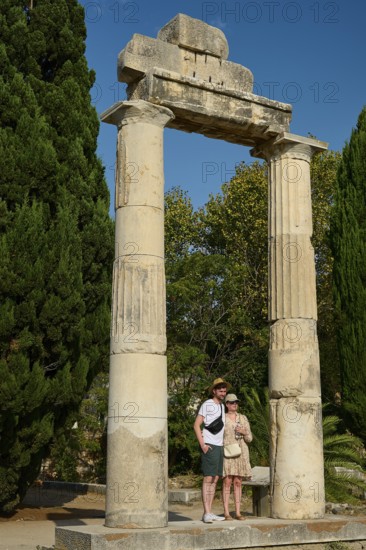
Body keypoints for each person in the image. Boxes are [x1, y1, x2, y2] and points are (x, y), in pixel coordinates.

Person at [193, 377, 231, 523]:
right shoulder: (207, 404)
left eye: (224, 389)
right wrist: (203, 444)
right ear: (214, 391)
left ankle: (209, 511)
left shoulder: (222, 406)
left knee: (215, 479)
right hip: (209, 444)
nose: (223, 391)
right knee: (208, 478)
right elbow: (196, 425)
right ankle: (206, 512)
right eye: (220, 389)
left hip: (219, 445)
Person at [222, 393, 252, 520]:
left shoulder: (243, 418)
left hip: (241, 452)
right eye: (232, 402)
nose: (235, 404)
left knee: (238, 482)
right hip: (228, 452)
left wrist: (244, 432)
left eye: (236, 402)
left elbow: (250, 438)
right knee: (227, 481)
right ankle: (226, 512)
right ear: (227, 404)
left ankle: (238, 512)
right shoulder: (222, 418)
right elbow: (217, 436)